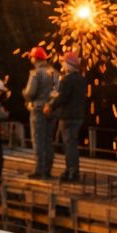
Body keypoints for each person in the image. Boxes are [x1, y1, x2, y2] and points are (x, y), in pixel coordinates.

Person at [46, 50, 85, 182]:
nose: (62, 64)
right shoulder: (81, 79)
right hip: (78, 117)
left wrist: (50, 105)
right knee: (71, 143)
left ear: (69, 64)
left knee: (69, 145)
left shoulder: (67, 80)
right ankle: (70, 170)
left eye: (63, 62)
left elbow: (62, 97)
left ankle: (72, 172)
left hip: (67, 117)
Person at [23, 47, 58, 178]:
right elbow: (57, 93)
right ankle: (47, 170)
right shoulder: (54, 72)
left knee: (38, 140)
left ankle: (39, 170)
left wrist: (24, 94)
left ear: (35, 58)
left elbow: (30, 93)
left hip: (37, 110)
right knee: (48, 140)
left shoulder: (35, 73)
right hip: (51, 111)